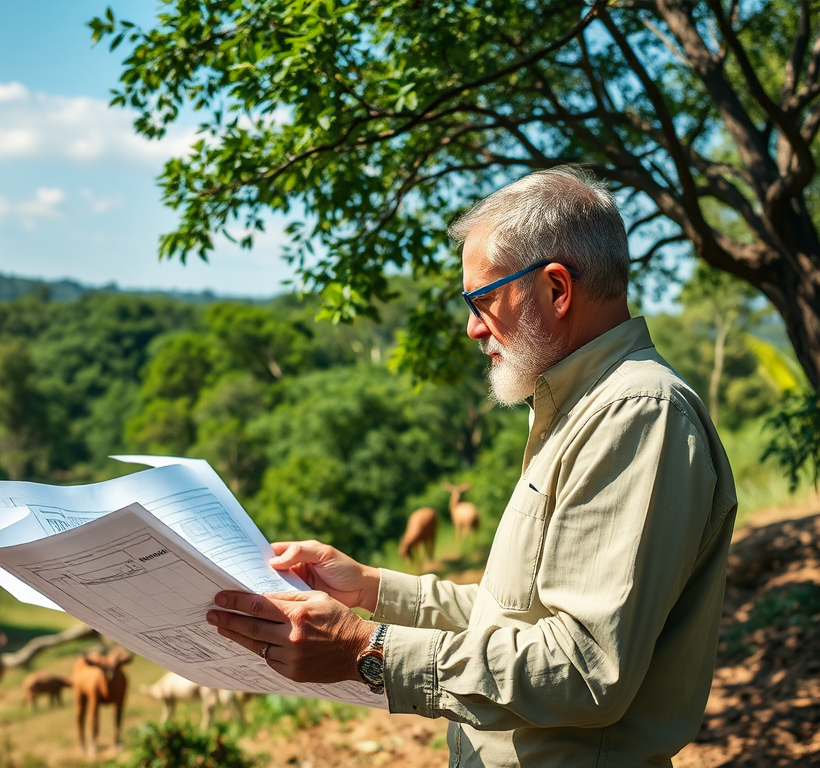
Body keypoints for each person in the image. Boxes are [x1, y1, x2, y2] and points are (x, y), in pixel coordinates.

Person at [206, 167, 738, 766]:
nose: (472, 327)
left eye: (482, 300)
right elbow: (514, 618)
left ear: (556, 289)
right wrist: (371, 588)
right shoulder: (580, 409)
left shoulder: (634, 416)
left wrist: (367, 649)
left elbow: (585, 668)